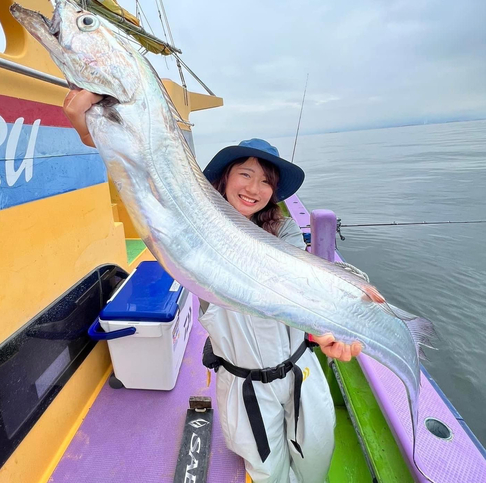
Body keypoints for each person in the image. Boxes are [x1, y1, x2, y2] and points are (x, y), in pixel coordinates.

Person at [63, 92, 362, 483]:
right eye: (246, 174)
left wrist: (335, 316)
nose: (255, 188)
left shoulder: (284, 230)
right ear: (225, 177)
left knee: (316, 462)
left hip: (302, 371)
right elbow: (148, 198)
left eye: (267, 181)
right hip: (246, 385)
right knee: (268, 473)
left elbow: (301, 283)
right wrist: (98, 135)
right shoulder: (194, 235)